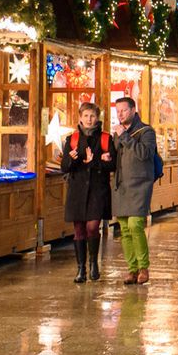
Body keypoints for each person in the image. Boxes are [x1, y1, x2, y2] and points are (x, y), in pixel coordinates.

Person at [60, 102, 113, 283]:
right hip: (77, 190)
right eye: (86, 116)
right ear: (80, 118)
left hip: (98, 190)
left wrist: (96, 161)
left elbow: (113, 164)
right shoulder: (72, 139)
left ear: (97, 118)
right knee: (79, 230)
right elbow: (65, 167)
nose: (89, 119)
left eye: (92, 116)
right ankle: (81, 268)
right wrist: (73, 160)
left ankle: (93, 263)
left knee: (92, 227)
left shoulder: (106, 138)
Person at [111, 97, 158, 285]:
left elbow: (144, 154)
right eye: (118, 111)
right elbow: (117, 156)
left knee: (135, 225)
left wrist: (124, 136)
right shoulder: (118, 132)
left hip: (140, 185)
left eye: (124, 110)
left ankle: (144, 267)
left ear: (133, 110)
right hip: (122, 185)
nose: (120, 114)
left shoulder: (146, 131)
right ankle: (132, 269)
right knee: (124, 228)